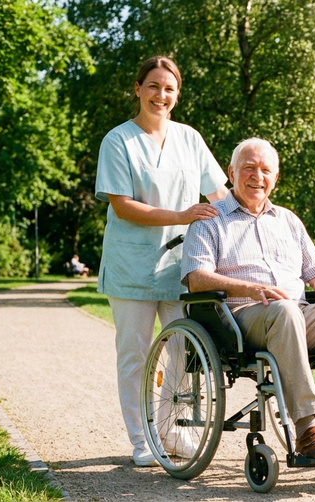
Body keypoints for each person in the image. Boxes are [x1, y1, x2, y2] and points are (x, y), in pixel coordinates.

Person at [180, 138, 315, 459]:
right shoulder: (210, 220)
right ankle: (309, 429)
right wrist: (248, 288)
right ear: (231, 172)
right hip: (240, 318)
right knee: (285, 311)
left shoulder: (287, 220)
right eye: (249, 168)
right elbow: (196, 278)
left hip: (295, 313)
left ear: (275, 177)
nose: (258, 176)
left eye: (266, 170)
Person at [94, 56, 229, 467]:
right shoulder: (117, 141)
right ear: (137, 89)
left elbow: (220, 195)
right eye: (153, 86)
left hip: (181, 267)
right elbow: (123, 207)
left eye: (169, 89)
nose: (161, 95)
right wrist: (182, 216)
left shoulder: (189, 138)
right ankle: (141, 440)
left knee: (183, 351)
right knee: (134, 356)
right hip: (132, 268)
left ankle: (171, 432)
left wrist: (253, 222)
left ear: (177, 95)